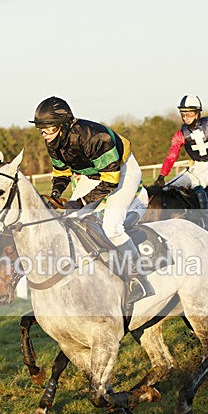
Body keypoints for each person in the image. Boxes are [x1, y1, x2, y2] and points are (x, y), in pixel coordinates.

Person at [31, 96, 154, 303]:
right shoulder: (53, 142)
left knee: (112, 227)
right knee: (70, 220)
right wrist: (55, 196)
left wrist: (78, 203)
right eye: (41, 129)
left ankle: (138, 278)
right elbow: (61, 173)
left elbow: (110, 183)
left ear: (63, 125)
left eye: (48, 128)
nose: (44, 133)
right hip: (93, 174)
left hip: (122, 172)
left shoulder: (95, 137)